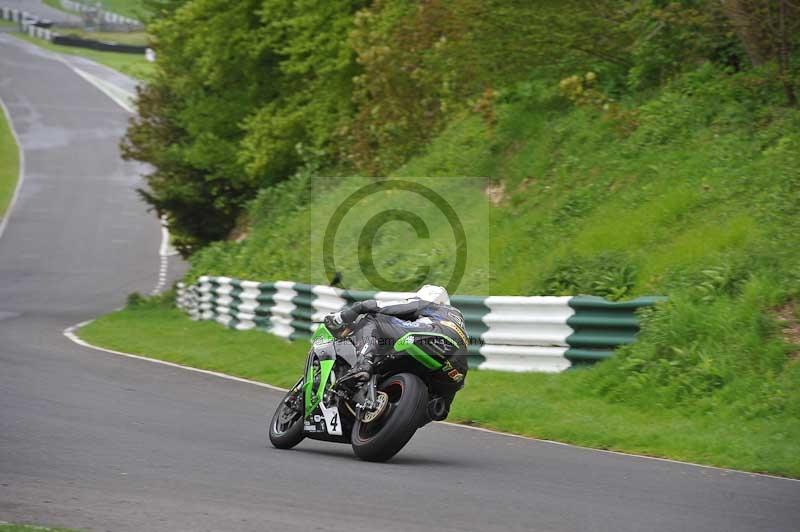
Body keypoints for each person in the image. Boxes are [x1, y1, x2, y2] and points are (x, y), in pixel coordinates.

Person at [323, 284, 469, 419]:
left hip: (432, 337)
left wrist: (353, 311)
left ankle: (363, 365)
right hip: (458, 366)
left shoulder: (430, 305)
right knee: (437, 409)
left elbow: (385, 307)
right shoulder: (456, 320)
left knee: (373, 319)